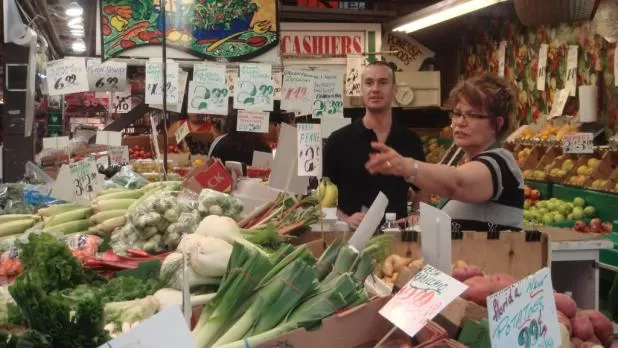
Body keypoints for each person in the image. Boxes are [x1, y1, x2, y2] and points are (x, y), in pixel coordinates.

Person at [365, 73, 523, 232]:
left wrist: (405, 166)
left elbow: (457, 183)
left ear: (497, 124)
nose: (460, 122)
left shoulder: (500, 164)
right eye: (457, 113)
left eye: (473, 115)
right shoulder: (471, 161)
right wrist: (422, 223)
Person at [323, 61, 425, 229]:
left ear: (395, 89)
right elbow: (321, 197)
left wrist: (416, 213)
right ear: (361, 89)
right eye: (369, 83)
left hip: (397, 237)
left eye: (383, 82)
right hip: (349, 238)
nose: (375, 89)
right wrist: (345, 218)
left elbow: (422, 189)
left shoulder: (410, 140)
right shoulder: (338, 141)